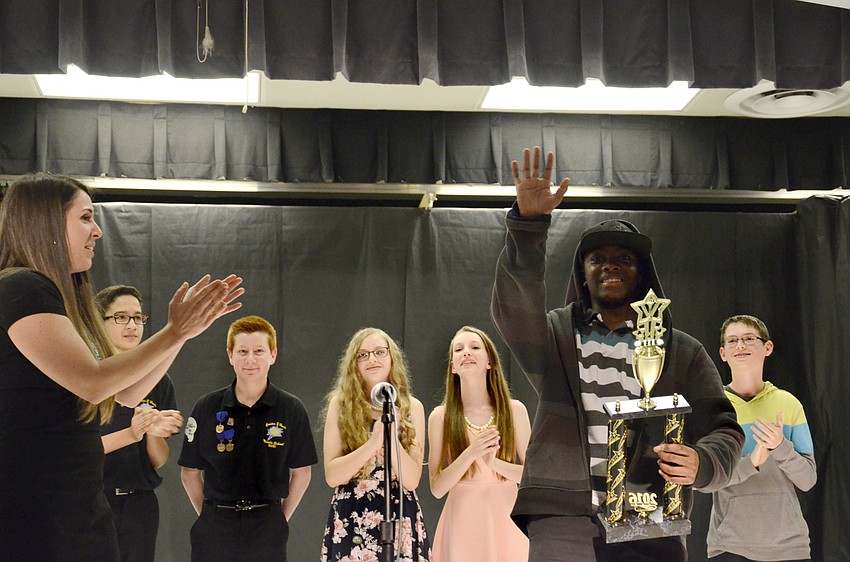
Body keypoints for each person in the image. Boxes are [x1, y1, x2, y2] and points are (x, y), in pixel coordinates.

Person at [490, 147, 745, 561]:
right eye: (598, 259)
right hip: (564, 520)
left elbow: (725, 429)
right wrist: (528, 225)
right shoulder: (556, 334)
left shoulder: (682, 350)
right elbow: (513, 305)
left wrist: (703, 461)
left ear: (642, 274)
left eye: (624, 259)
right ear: (583, 276)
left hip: (650, 519)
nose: (610, 266)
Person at [0, 173, 243, 561]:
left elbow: (127, 393)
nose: (97, 231)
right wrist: (172, 330)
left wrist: (182, 334)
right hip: (37, 511)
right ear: (43, 221)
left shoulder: (49, 294)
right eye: (84, 217)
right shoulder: (22, 286)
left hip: (73, 505)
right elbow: (92, 384)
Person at [179, 315, 318, 562]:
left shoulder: (291, 409)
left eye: (259, 351)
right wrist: (208, 514)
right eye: (242, 351)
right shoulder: (207, 407)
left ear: (273, 355)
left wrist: (279, 518)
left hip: (268, 526)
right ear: (230, 355)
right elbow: (190, 471)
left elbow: (302, 472)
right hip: (215, 525)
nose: (250, 359)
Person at [707, 315, 816, 561]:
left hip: (790, 548)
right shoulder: (714, 407)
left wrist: (781, 447)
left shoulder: (788, 404)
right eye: (732, 341)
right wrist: (752, 463)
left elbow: (808, 479)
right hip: (729, 547)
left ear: (767, 347)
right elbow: (706, 481)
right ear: (723, 353)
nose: (741, 346)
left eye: (748, 338)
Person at [321, 327, 431, 561]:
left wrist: (391, 436)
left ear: (392, 357)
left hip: (399, 514)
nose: (372, 359)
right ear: (354, 364)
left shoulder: (413, 407)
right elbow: (332, 475)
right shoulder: (340, 405)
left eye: (379, 352)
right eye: (363, 355)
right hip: (352, 516)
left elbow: (411, 480)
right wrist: (372, 444)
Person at [428, 325, 531, 562]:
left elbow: (531, 476)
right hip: (462, 518)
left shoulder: (514, 411)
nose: (466, 353)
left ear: (489, 362)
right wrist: (471, 453)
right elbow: (437, 487)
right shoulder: (440, 417)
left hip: (506, 516)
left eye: (475, 347)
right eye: (458, 349)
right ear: (452, 366)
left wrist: (495, 464)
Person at [97, 284, 183, 562]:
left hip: (139, 502)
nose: (132, 325)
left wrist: (154, 433)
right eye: (121, 317)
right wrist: (131, 433)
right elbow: (75, 450)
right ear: (98, 322)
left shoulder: (158, 378)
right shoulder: (88, 374)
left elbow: (159, 460)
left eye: (138, 317)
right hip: (94, 500)